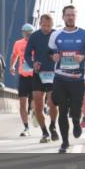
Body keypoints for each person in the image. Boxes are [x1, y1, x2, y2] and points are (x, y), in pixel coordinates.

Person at [48, 5, 85, 152]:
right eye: (67, 15)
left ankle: (76, 122)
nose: (70, 17)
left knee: (75, 109)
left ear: (76, 17)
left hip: (77, 79)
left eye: (72, 15)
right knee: (62, 110)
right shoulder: (56, 35)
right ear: (63, 17)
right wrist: (53, 56)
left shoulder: (84, 35)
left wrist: (83, 57)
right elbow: (50, 52)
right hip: (61, 78)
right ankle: (65, 143)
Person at [25, 14, 59, 143]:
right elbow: (27, 54)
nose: (46, 28)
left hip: (53, 74)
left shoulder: (57, 35)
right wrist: (32, 63)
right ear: (40, 24)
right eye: (44, 25)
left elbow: (63, 51)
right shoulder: (34, 36)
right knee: (38, 107)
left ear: (52, 25)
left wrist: (57, 56)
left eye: (49, 26)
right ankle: (45, 132)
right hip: (38, 74)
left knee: (52, 103)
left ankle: (53, 126)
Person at [10, 23, 35, 136]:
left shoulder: (37, 43)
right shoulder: (18, 43)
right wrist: (12, 66)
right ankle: (26, 128)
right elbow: (14, 55)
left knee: (36, 103)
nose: (28, 35)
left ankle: (36, 113)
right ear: (22, 33)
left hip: (35, 77)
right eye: (26, 33)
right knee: (22, 103)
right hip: (24, 77)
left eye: (30, 33)